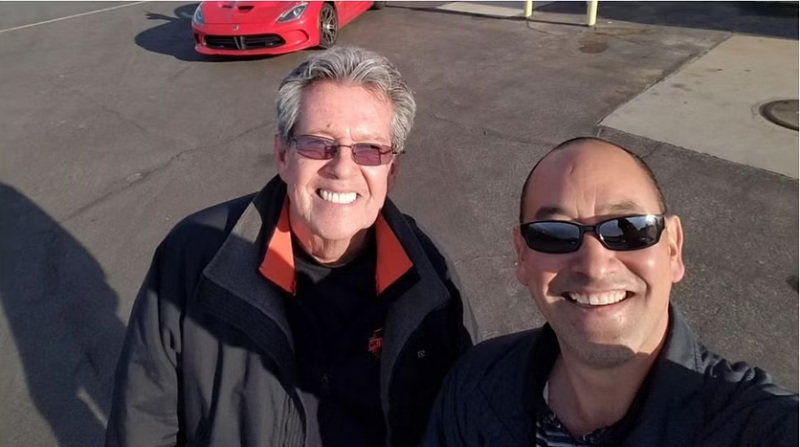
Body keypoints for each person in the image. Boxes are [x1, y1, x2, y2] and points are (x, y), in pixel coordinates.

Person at [106, 46, 477, 447]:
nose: (342, 169)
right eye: (318, 144)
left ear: (392, 170)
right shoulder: (194, 259)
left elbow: (464, 422)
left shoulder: (431, 282)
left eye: (370, 149)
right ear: (283, 155)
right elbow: (142, 422)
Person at [422, 137, 798, 447]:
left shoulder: (757, 424)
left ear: (672, 249)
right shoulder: (474, 387)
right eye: (554, 234)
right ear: (522, 256)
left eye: (628, 229)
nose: (594, 266)